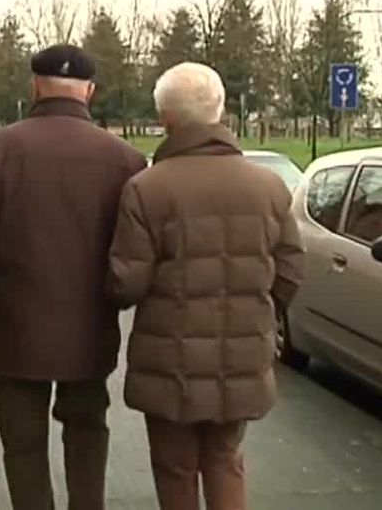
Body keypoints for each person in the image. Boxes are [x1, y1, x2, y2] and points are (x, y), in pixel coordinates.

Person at [0, 44, 146, 510]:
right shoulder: (127, 161)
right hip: (90, 330)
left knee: (23, 444)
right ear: (89, 92)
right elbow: (135, 254)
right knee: (88, 431)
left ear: (34, 86)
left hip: (15, 328)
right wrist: (111, 299)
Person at [106, 62, 305, 510]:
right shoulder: (269, 187)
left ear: (165, 118)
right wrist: (261, 313)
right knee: (226, 459)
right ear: (221, 111)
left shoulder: (145, 189)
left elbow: (127, 283)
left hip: (168, 361)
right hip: (243, 356)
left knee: (175, 466)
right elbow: (291, 269)